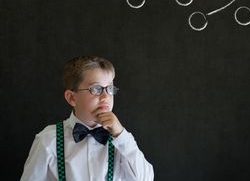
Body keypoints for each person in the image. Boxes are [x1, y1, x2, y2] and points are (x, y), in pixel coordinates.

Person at [20, 56, 154, 181]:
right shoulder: (48, 139)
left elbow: (145, 178)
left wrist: (121, 135)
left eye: (110, 89)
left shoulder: (122, 141)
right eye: (96, 89)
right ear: (72, 98)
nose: (105, 97)